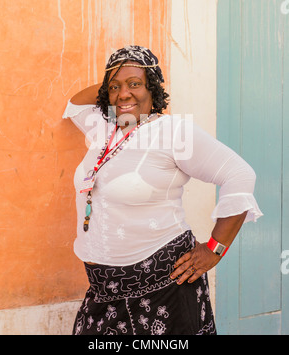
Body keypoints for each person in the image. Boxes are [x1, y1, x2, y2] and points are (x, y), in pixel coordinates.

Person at [62, 45, 263, 335]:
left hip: (163, 290)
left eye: (136, 84)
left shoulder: (173, 132)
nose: (124, 94)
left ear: (153, 89)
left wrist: (214, 251)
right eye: (115, 87)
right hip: (102, 293)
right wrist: (117, 79)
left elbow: (240, 175)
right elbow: (75, 106)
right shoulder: (105, 129)